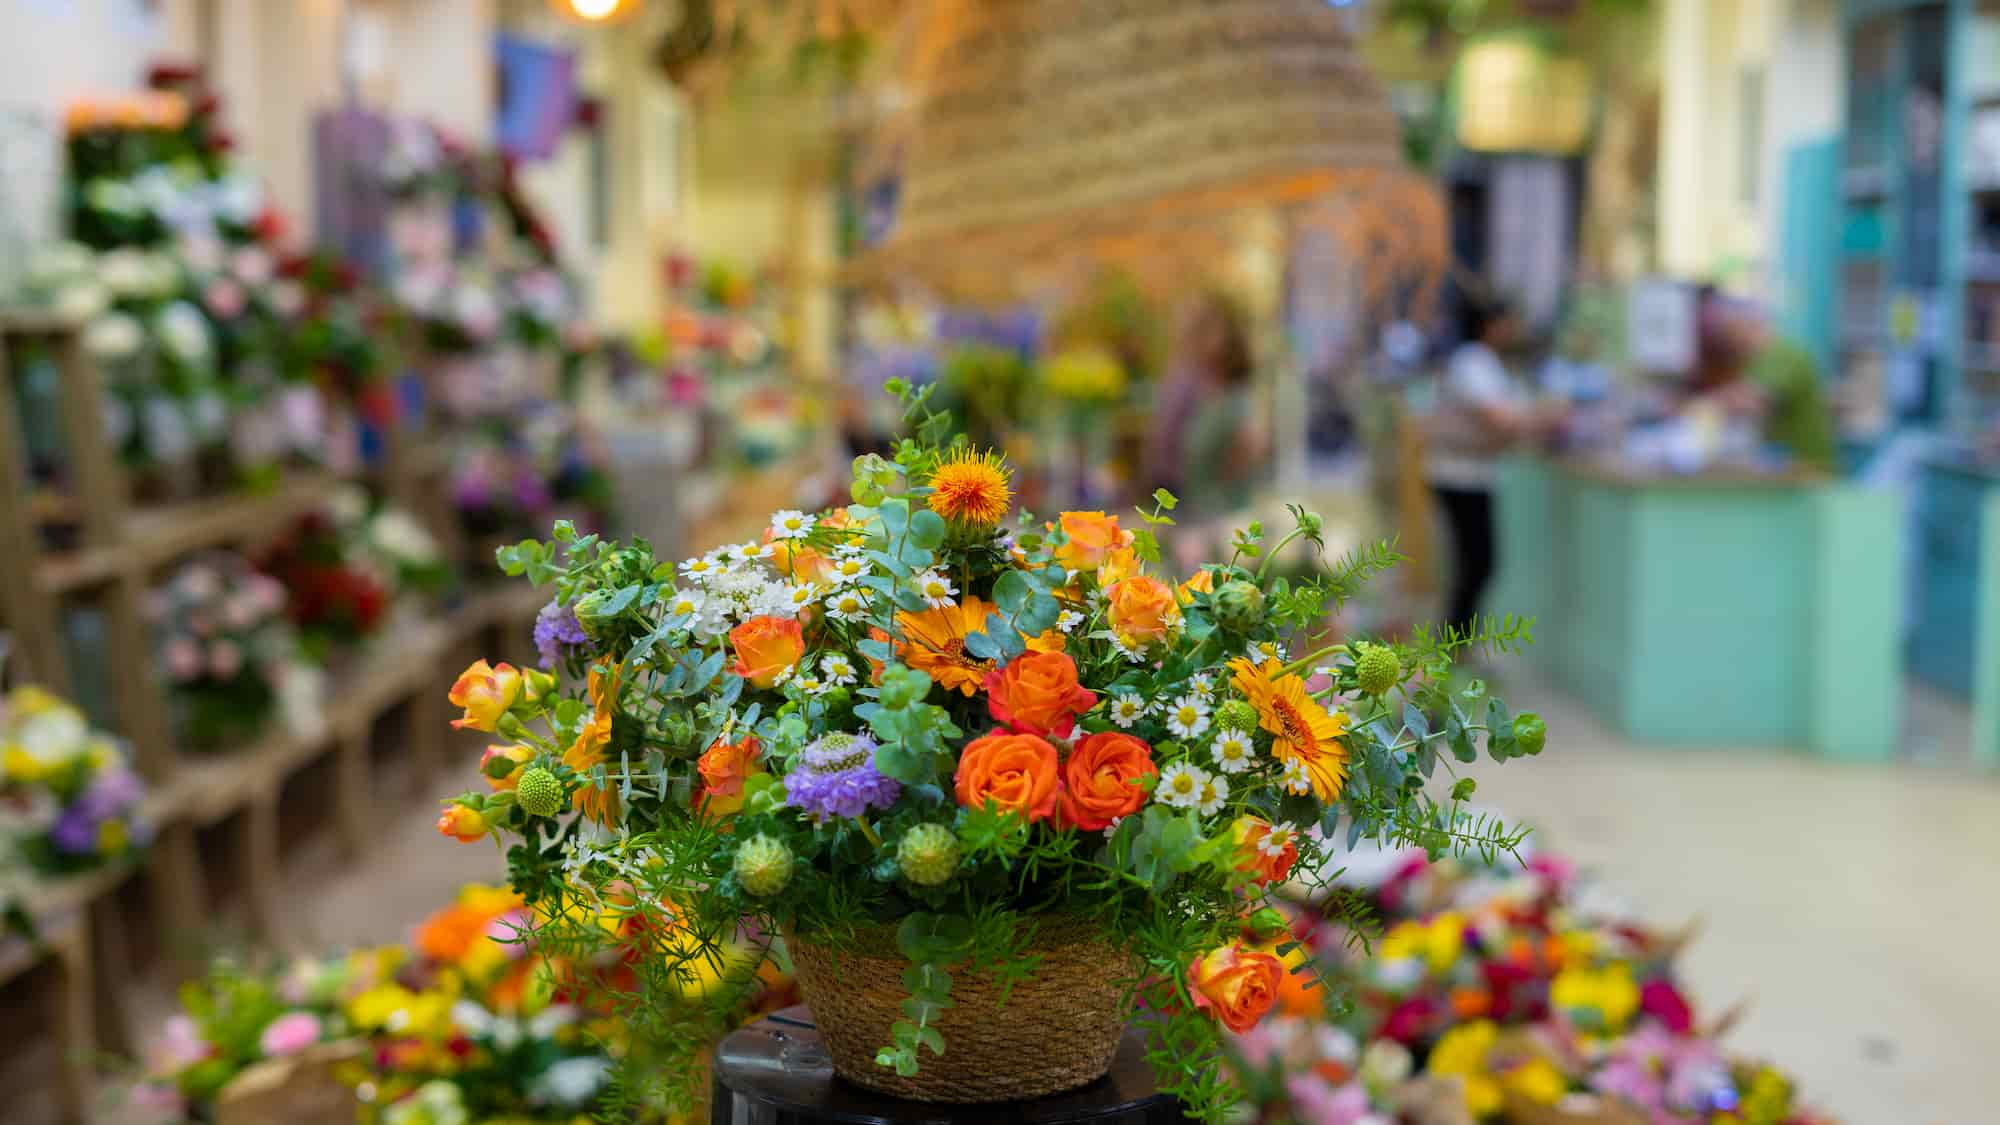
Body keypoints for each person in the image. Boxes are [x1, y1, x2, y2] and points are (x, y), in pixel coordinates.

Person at [1425, 292, 1547, 636]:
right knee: (1478, 565)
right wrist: (1548, 416)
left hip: (1471, 475)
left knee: (1474, 564)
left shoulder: (1482, 363)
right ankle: (1454, 645)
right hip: (1459, 477)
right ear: (1491, 326)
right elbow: (1501, 418)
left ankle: (1456, 644)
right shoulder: (1473, 362)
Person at [1145, 292, 1266, 524]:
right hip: (1190, 504)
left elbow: (1247, 453)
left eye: (1207, 330)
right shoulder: (1194, 383)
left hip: (1221, 515)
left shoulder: (1236, 398)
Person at [1690, 287, 1836, 472]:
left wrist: (1700, 404)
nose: (1726, 340)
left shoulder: (1782, 355)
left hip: (1807, 471)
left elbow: (1751, 401)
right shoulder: (1750, 362)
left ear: (1745, 324)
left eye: (1729, 330)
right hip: (1781, 469)